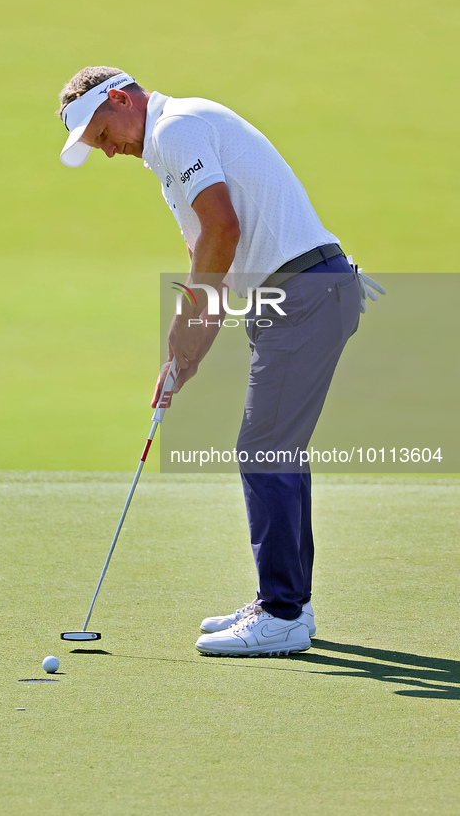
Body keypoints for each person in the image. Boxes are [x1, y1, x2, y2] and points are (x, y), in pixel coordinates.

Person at [56, 66, 381, 658]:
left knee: (263, 448)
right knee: (274, 447)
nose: (106, 152)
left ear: (121, 100)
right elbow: (214, 261)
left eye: (102, 135)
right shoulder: (166, 155)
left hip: (304, 294)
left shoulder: (177, 128)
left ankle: (282, 613)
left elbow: (223, 231)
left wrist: (185, 325)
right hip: (298, 296)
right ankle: (289, 604)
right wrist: (185, 359)